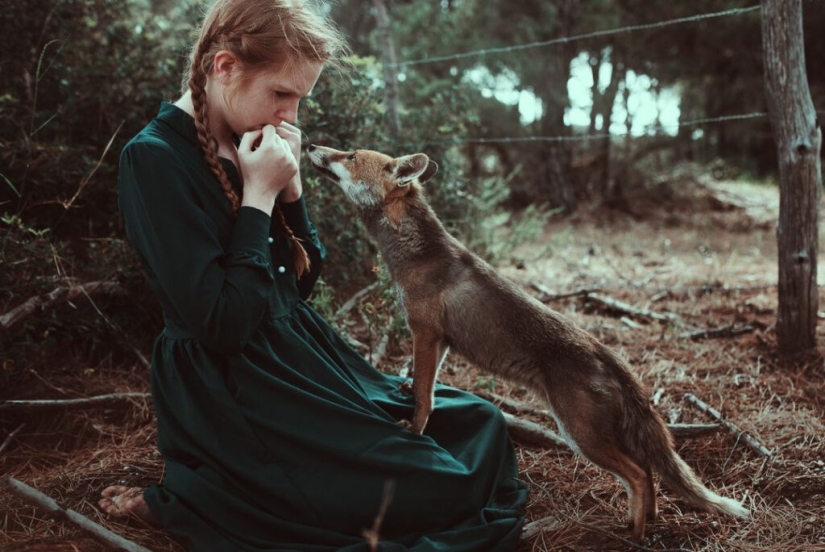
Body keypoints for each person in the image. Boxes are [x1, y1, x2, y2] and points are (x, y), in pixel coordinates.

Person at [99, 0, 527, 550]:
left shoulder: (254, 140)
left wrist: (292, 193)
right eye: (281, 94)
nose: (291, 116)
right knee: (444, 486)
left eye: (301, 99)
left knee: (479, 423)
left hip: (301, 357)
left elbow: (298, 287)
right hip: (237, 385)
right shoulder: (153, 159)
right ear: (224, 67)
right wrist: (258, 197)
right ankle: (206, 495)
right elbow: (221, 323)